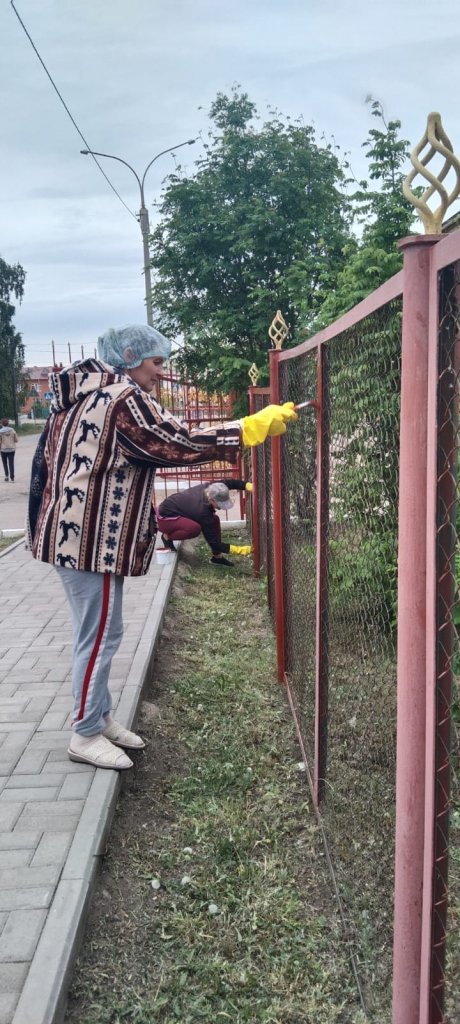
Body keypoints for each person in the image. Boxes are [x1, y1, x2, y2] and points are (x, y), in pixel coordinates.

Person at [27, 324, 297, 771]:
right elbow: (175, 443)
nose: (160, 372)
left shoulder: (82, 397)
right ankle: (85, 732)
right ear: (129, 356)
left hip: (72, 536)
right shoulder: (121, 399)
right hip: (90, 542)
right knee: (99, 636)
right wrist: (247, 429)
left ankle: (99, 717)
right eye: (155, 362)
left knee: (101, 632)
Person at [157, 479, 253, 566]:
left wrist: (248, 486)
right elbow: (214, 543)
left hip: (180, 509)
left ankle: (217, 557)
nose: (221, 507)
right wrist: (240, 550)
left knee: (215, 520)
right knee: (194, 529)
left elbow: (231, 483)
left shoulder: (215, 488)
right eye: (219, 504)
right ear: (211, 499)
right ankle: (167, 537)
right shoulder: (203, 512)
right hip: (165, 518)